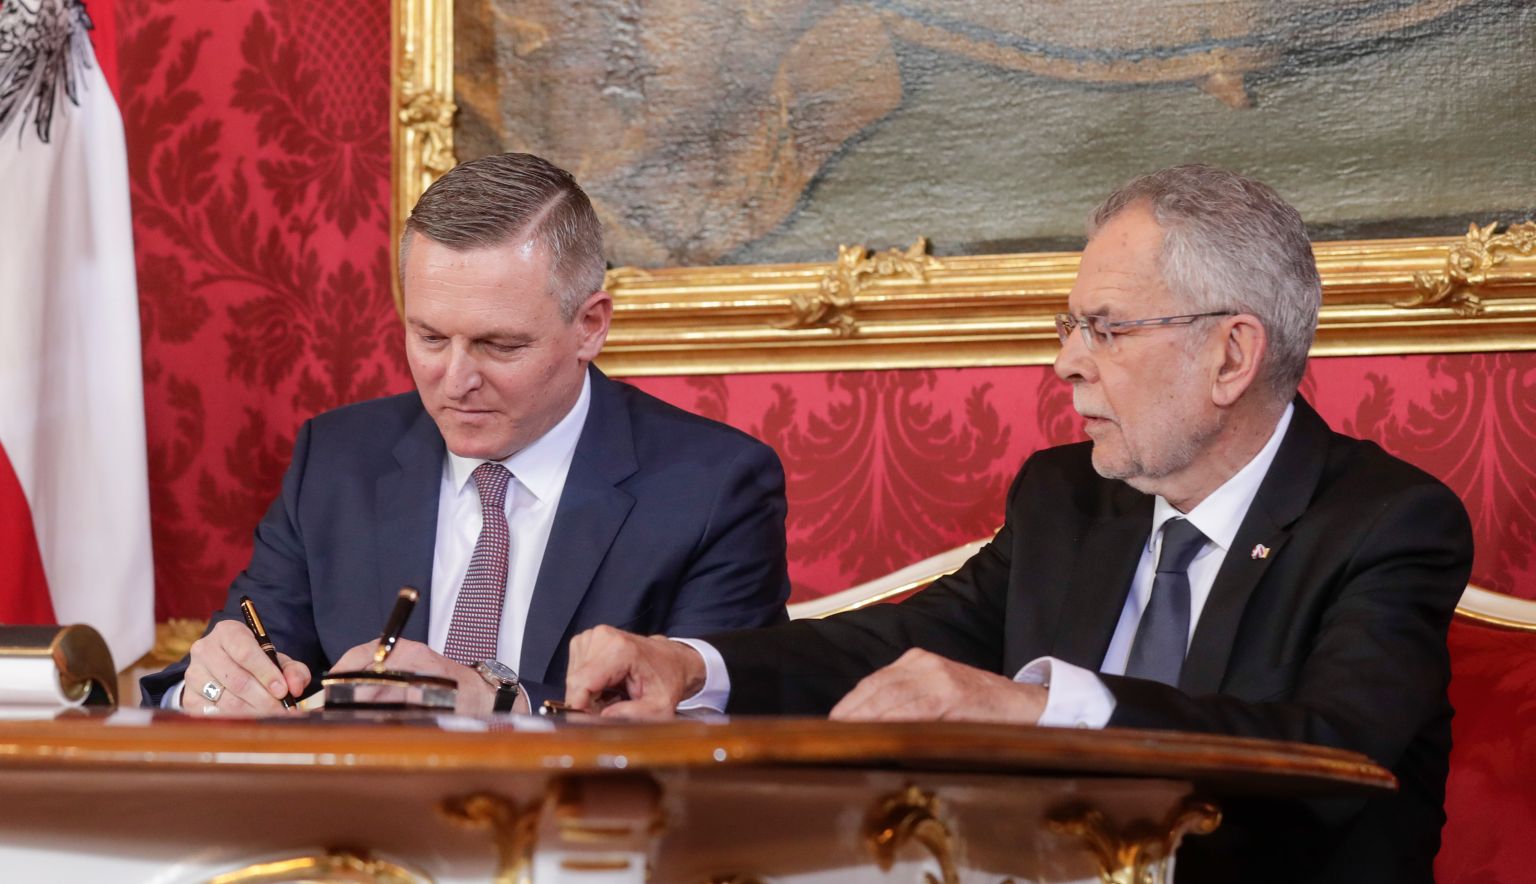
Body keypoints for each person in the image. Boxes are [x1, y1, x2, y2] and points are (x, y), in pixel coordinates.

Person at [564, 165, 1471, 882]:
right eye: (1069, 325)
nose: (1067, 362)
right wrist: (692, 665)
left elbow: (1332, 753)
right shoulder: (1067, 498)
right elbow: (903, 643)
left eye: (1106, 329)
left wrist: (1043, 710)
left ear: (1231, 355)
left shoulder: (1388, 523)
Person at [142, 153, 790, 714]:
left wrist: (498, 701)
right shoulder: (337, 461)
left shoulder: (712, 488)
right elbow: (240, 658)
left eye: (498, 345)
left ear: (590, 326)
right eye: (429, 337)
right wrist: (212, 688)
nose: (454, 381)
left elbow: (724, 725)